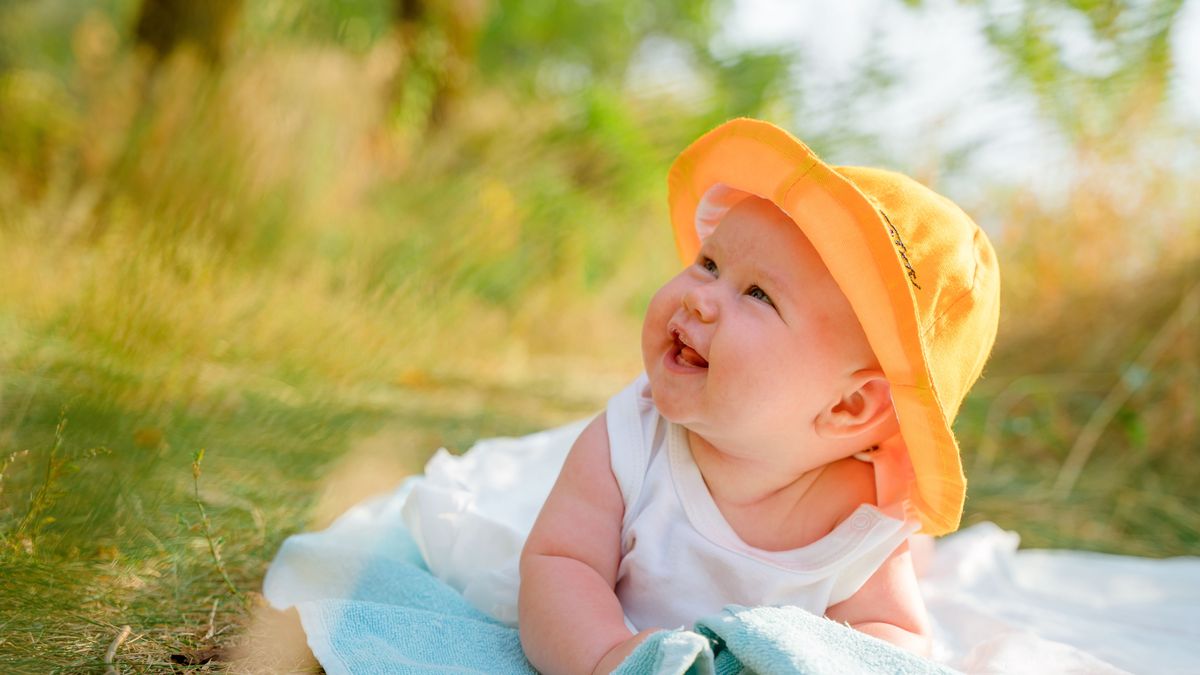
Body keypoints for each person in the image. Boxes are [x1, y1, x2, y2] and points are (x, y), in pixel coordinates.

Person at [517, 118, 1001, 674]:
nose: (700, 299)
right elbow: (560, 562)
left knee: (913, 559)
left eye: (757, 294)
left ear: (848, 406)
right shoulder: (629, 440)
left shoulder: (861, 521)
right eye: (709, 264)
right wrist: (603, 655)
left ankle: (924, 554)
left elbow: (892, 637)